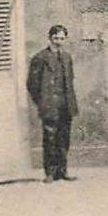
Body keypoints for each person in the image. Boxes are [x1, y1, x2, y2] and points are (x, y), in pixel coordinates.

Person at [27, 24, 78, 181]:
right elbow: (32, 84)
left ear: (65, 39)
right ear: (49, 38)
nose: (58, 41)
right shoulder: (40, 58)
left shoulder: (67, 57)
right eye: (56, 38)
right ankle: (49, 172)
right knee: (50, 138)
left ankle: (62, 171)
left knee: (64, 138)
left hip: (65, 103)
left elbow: (70, 80)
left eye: (62, 38)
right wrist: (42, 101)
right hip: (49, 104)